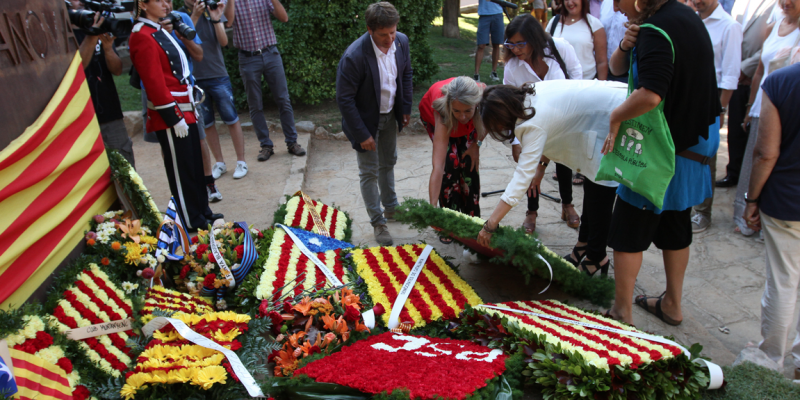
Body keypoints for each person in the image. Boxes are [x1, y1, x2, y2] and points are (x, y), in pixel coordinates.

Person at [602, 0, 719, 325]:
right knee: (675, 221)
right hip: (694, 144)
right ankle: (672, 304)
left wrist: (615, 118)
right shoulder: (684, 16)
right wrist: (626, 45)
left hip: (661, 151)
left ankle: (621, 311)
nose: (616, 7)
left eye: (619, 0)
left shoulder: (655, 31)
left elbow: (651, 94)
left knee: (628, 230)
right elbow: (618, 69)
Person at [475, 80, 628, 275]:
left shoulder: (532, 123)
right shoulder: (529, 97)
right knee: (592, 178)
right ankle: (584, 245)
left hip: (616, 113)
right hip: (604, 108)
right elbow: (552, 131)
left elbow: (521, 178)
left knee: (601, 186)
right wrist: (540, 167)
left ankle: (597, 257)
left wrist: (490, 225)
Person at [130, 0, 223, 230]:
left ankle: (202, 212)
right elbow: (154, 83)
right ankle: (191, 221)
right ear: (143, 3)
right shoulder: (141, 34)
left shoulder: (157, 29)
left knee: (193, 165)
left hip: (186, 107)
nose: (165, 4)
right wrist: (173, 116)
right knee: (182, 171)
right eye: (159, 0)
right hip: (171, 113)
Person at [336, 2, 412, 246]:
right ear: (370, 29)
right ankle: (378, 222)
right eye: (383, 34)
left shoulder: (401, 41)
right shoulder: (354, 56)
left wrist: (406, 108)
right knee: (368, 170)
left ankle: (391, 207)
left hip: (391, 115)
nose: (390, 38)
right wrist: (361, 134)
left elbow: (406, 73)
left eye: (393, 31)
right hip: (365, 120)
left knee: (388, 162)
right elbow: (344, 99)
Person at [742, 62, 800, 384]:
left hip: (787, 201)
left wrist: (752, 198)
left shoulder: (779, 82)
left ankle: (772, 356)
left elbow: (766, 153)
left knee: (782, 281)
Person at [503, 14, 583, 233]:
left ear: (535, 38)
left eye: (520, 43)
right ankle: (532, 212)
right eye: (511, 44)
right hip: (532, 120)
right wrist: (515, 141)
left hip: (565, 115)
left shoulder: (560, 48)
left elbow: (576, 77)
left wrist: (542, 164)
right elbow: (512, 106)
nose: (516, 49)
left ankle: (567, 204)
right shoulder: (512, 67)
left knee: (563, 160)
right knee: (530, 165)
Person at [737, 0, 799, 236]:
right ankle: (749, 217)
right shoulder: (773, 27)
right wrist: (750, 106)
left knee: (775, 162)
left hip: (786, 107)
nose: (786, 3)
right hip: (764, 103)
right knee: (756, 160)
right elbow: (760, 71)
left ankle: (771, 221)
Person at [229, 0, 307, 162]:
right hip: (247, 57)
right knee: (255, 104)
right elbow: (228, 22)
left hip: (270, 52)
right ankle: (266, 145)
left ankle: (292, 142)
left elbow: (284, 18)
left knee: (283, 99)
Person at [691, 0, 743, 233]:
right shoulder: (691, 19)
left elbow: (731, 75)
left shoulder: (729, 26)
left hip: (710, 103)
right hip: (686, 98)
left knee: (705, 159)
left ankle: (703, 213)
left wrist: (719, 110)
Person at [182, 0, 248, 181]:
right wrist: (194, 15)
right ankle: (219, 162)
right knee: (207, 123)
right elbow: (182, 41)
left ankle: (241, 161)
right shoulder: (181, 16)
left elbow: (224, 42)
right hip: (195, 77)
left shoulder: (211, 10)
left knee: (231, 118)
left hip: (218, 74)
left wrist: (216, 19)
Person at [719, 0, 777, 188]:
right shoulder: (740, 2)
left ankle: (751, 180)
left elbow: (770, 44)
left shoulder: (777, 4)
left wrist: (744, 68)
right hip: (736, 76)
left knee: (754, 132)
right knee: (735, 129)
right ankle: (733, 172)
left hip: (755, 76)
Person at [70, 1, 135, 167]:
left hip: (110, 112)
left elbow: (117, 70)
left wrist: (107, 48)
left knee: (126, 169)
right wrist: (92, 35)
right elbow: (78, 68)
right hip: (79, 117)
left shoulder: (99, 26)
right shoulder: (63, 36)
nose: (77, 3)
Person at [421, 77, 485, 225]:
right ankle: (449, 220)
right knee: (449, 165)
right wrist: (432, 208)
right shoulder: (442, 109)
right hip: (438, 119)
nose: (462, 117)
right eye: (457, 111)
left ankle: (472, 219)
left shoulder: (484, 96)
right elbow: (438, 166)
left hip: (469, 119)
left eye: (467, 111)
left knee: (469, 164)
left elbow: (487, 122)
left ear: (476, 104)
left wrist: (476, 145)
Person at [547, 0, 608, 80]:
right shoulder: (553, 22)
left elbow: (601, 62)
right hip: (559, 85)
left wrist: (601, 88)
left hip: (587, 84)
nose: (570, 3)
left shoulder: (594, 24)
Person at [475, 0, 505, 82]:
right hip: (484, 15)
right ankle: (476, 74)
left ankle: (494, 72)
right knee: (481, 45)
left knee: (496, 44)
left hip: (498, 14)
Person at [600, 0, 629, 83]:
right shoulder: (606, 3)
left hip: (625, 71)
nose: (615, 8)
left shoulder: (633, 4)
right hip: (604, 70)